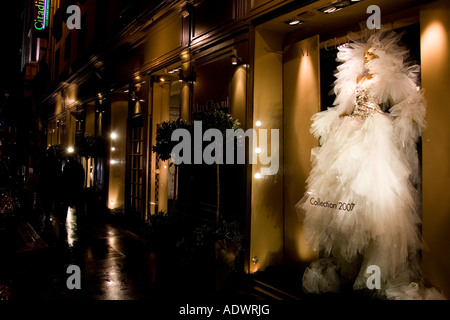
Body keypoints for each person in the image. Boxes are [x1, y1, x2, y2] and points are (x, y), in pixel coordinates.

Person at [296, 30, 436, 299]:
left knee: (374, 197)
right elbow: (348, 106)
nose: (368, 59)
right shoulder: (358, 78)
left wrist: (401, 121)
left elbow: (409, 101)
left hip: (375, 133)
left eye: (373, 55)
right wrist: (336, 119)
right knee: (345, 194)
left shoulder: (387, 79)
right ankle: (352, 264)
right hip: (353, 132)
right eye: (366, 55)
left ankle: (375, 271)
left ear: (384, 57)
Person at [39, 147, 62, 220]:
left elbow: (40, 172)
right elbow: (59, 174)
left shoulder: (43, 161)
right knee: (51, 200)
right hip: (53, 184)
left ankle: (47, 213)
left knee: (45, 200)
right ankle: (49, 213)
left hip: (45, 184)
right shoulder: (57, 162)